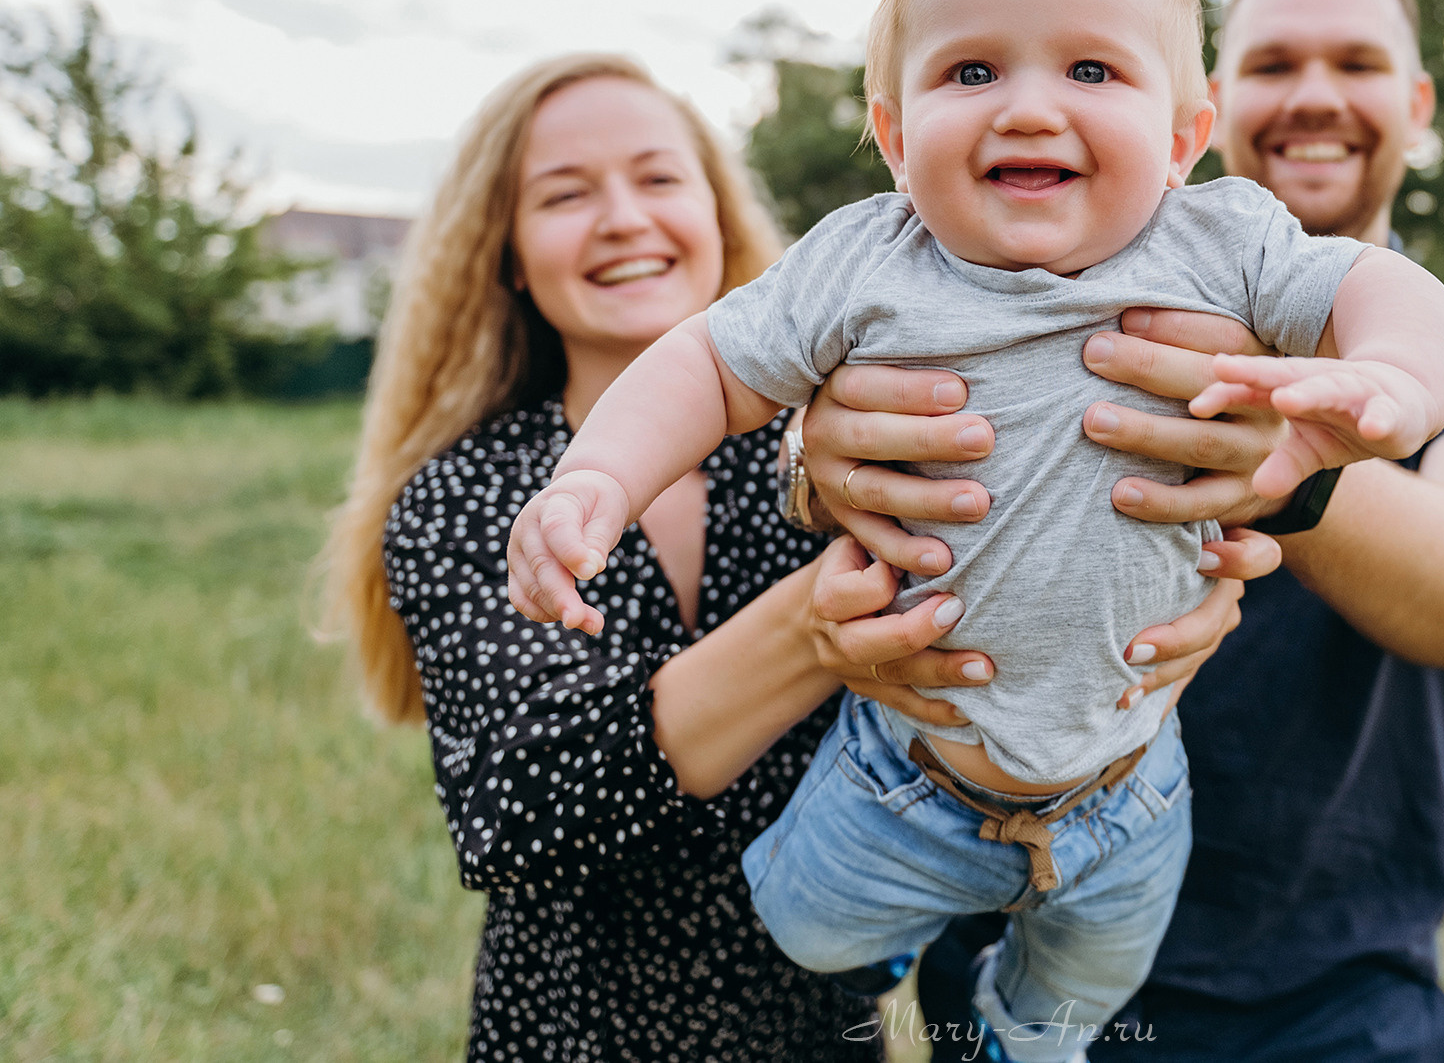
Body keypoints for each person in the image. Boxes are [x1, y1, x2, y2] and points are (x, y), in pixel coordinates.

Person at [506, 0, 1444, 1063]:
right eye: (971, 70)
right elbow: (706, 362)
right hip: (909, 768)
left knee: (1084, 988)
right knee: (805, 925)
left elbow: (1381, 284)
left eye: (1090, 69)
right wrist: (595, 478)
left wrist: (1394, 378)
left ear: (1183, 135)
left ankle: (1020, 1032)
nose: (1026, 107)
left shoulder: (1222, 244)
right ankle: (901, 935)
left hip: (1129, 779)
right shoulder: (866, 262)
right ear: (893, 133)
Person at [807, 0, 1444, 1061]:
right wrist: (811, 462)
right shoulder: (989, 290)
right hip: (1009, 962)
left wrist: (1276, 463)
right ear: (1206, 109)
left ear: (1416, 105)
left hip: (1328, 1002)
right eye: (1274, 63)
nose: (1313, 94)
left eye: (1356, 63)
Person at [317, 53, 1019, 1060]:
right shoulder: (465, 492)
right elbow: (517, 812)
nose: (623, 218)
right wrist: (808, 630)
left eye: (657, 177)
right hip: (571, 1036)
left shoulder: (848, 448)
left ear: (716, 217)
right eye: (565, 194)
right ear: (509, 253)